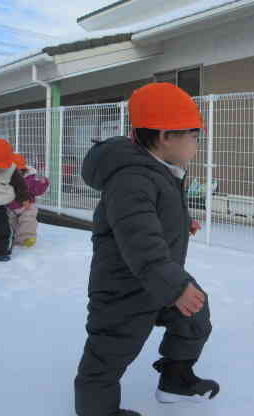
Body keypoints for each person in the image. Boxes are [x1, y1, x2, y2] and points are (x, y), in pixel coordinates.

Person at [74, 83, 219, 416]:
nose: (198, 144)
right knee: (107, 357)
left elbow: (151, 218)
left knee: (195, 313)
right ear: (167, 136)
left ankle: (176, 381)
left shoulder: (157, 170)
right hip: (124, 288)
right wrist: (177, 286)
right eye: (194, 135)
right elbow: (139, 240)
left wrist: (181, 224)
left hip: (158, 278)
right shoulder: (132, 178)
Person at [8, 153, 50, 247]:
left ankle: (27, 238)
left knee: (28, 220)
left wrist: (43, 183)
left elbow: (37, 189)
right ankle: (12, 237)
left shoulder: (30, 179)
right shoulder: (5, 179)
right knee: (10, 222)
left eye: (20, 170)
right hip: (10, 207)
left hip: (27, 206)